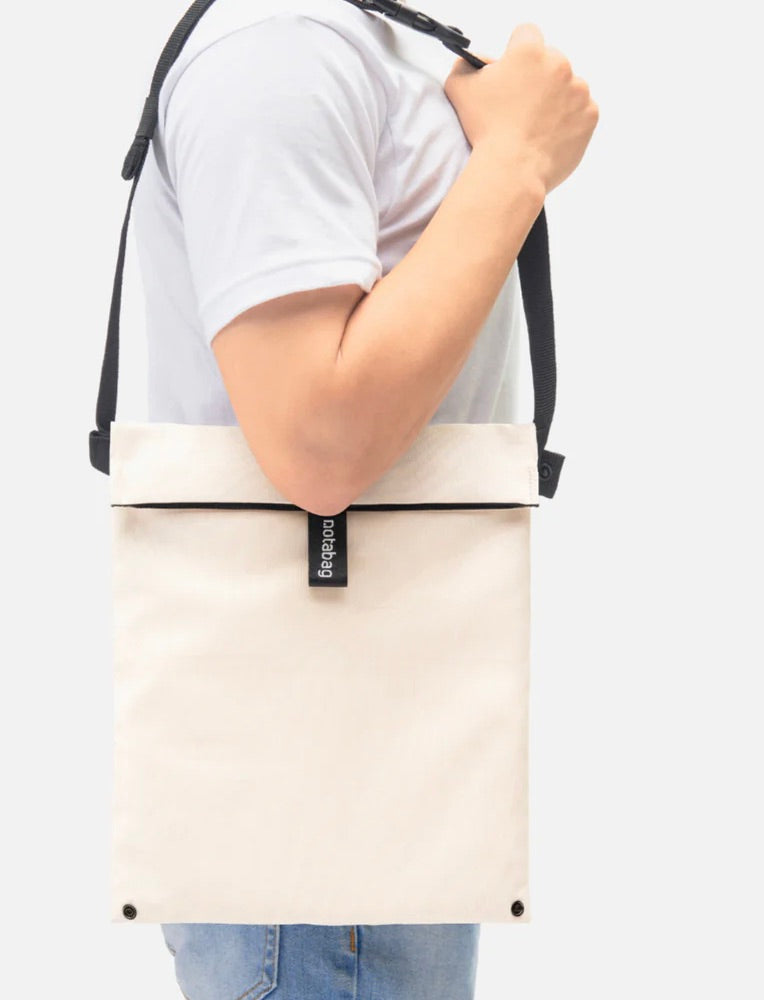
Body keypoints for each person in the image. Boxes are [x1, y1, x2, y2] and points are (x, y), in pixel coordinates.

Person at [131, 0, 597, 995]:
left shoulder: (348, 39)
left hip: (374, 770)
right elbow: (319, 442)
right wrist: (516, 160)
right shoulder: (280, 48)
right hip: (323, 805)